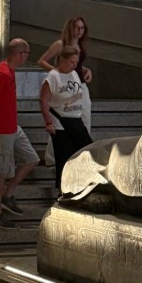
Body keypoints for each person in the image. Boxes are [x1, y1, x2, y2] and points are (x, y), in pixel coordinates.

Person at [0, 38, 40, 227]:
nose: (26, 57)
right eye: (26, 53)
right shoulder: (2, 73)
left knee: (31, 158)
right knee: (1, 173)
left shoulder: (9, 71)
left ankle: (7, 194)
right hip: (2, 130)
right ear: (21, 54)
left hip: (13, 126)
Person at [40, 45, 93, 192]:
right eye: (71, 62)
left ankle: (79, 185)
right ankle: (62, 191)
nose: (74, 65)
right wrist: (48, 122)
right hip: (60, 121)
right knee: (64, 157)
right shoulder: (53, 77)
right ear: (62, 60)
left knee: (86, 151)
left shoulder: (74, 73)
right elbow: (43, 100)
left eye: (76, 62)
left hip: (75, 119)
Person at [37, 14, 93, 135]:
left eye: (82, 28)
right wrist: (58, 73)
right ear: (70, 28)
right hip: (65, 86)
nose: (79, 31)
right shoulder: (60, 44)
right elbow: (42, 61)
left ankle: (83, 144)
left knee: (85, 116)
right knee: (64, 118)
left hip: (80, 83)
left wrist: (86, 70)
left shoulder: (81, 45)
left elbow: (77, 65)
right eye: (77, 27)